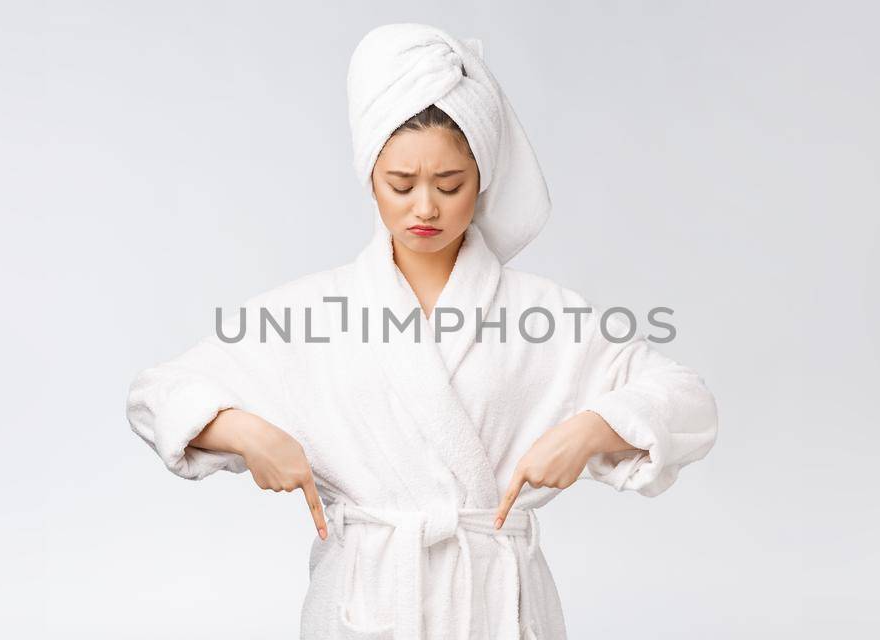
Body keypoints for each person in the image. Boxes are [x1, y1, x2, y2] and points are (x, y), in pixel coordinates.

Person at [126, 23, 719, 640]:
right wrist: (241, 430)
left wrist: (593, 428)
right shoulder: (312, 311)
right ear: (370, 178)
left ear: (483, 178)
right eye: (401, 185)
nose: (426, 208)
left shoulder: (546, 315)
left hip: (498, 607)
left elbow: (689, 401)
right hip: (368, 602)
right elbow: (154, 395)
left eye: (451, 184)